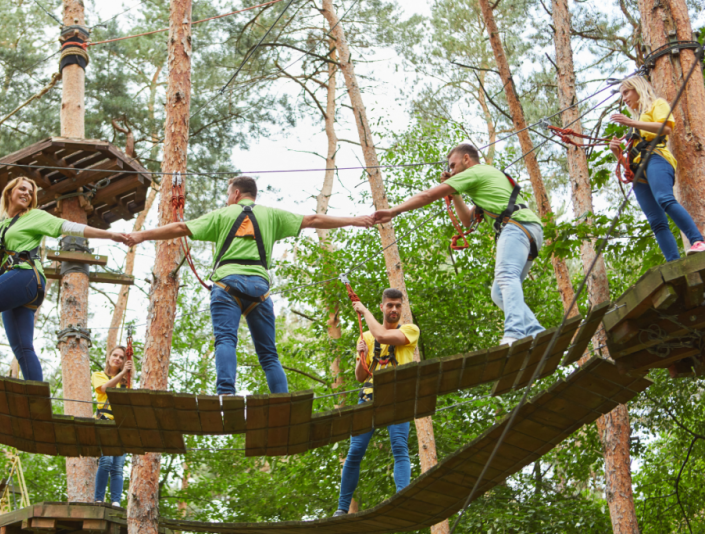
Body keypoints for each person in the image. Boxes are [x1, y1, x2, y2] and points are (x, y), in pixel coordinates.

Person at [124, 175, 373, 395]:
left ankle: (226, 395)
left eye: (227, 195)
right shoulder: (272, 215)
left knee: (225, 340)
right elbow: (313, 219)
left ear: (235, 193)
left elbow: (180, 227)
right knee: (268, 354)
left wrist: (140, 235)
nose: (226, 200)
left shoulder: (223, 214)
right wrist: (354, 220)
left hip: (227, 285)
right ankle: (282, 400)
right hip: (259, 289)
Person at [372, 144, 544, 345]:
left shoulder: (475, 171)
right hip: (528, 230)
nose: (451, 171)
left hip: (517, 227)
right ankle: (535, 332)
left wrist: (394, 211)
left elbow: (428, 195)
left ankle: (514, 333)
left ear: (466, 159)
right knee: (499, 292)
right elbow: (467, 221)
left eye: (453, 166)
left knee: (506, 276)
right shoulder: (486, 177)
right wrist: (456, 194)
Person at [0, 176, 127, 381]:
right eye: (22, 189)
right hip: (22, 285)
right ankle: (37, 398)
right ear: (9, 193)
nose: (27, 194)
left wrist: (109, 235)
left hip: (25, 276)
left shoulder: (34, 216)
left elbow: (69, 227)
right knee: (23, 348)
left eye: (30, 192)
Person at [333, 288, 419, 517]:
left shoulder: (410, 330)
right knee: (355, 451)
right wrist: (362, 355)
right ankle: (342, 508)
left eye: (397, 306)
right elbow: (360, 377)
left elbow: (383, 337)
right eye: (389, 305)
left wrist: (363, 310)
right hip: (370, 396)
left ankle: (402, 498)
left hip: (397, 397)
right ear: (383, 307)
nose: (394, 309)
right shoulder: (367, 337)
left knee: (399, 446)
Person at [609, 75, 705, 262]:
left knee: (664, 198)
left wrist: (632, 123)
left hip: (656, 158)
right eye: (622, 95)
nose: (625, 98)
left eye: (626, 92)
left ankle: (697, 240)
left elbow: (666, 129)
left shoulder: (656, 105)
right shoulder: (633, 126)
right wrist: (617, 153)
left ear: (638, 89)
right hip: (638, 173)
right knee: (656, 222)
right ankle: (673, 262)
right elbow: (628, 164)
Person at [92, 345, 133, 507]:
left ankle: (116, 501)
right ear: (109, 358)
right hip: (105, 421)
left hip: (121, 425)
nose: (117, 359)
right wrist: (123, 373)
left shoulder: (125, 384)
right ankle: (98, 499)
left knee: (118, 466)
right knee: (106, 461)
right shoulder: (98, 375)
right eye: (115, 355)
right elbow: (104, 388)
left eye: (121, 357)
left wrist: (125, 375)